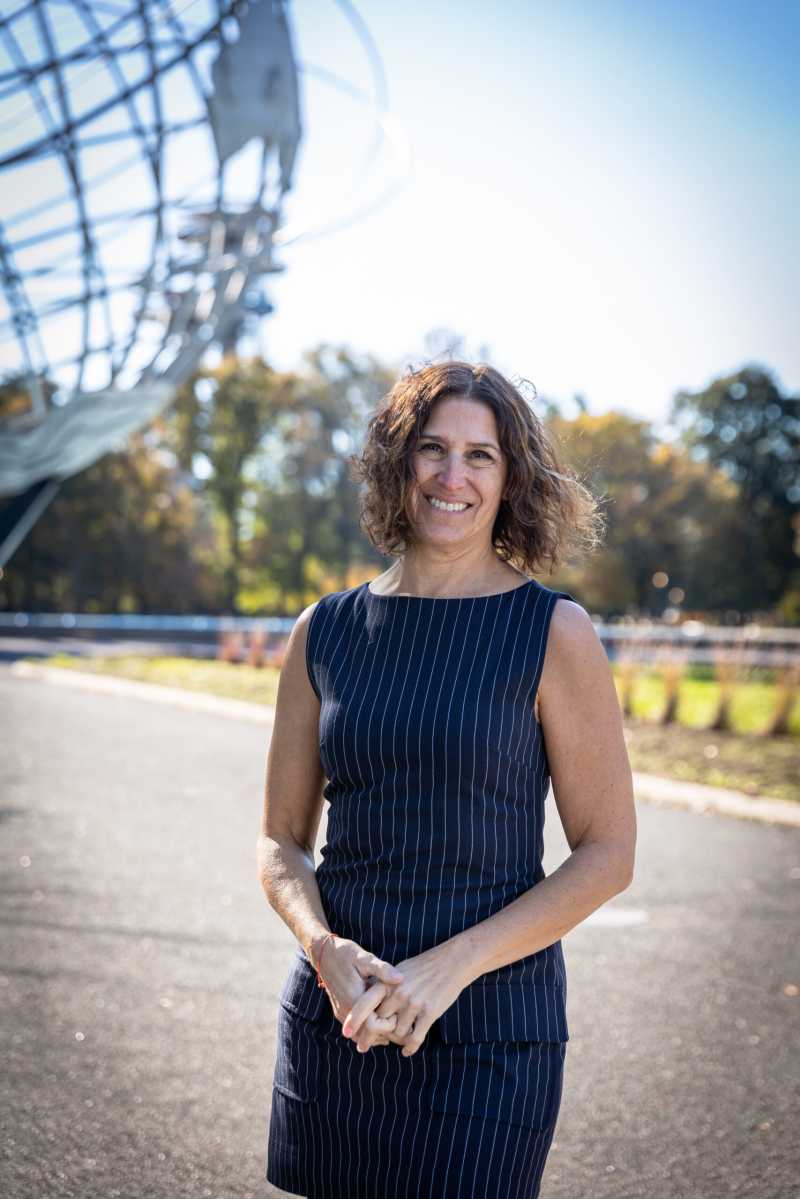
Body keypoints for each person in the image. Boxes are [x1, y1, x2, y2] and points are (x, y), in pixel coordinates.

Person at [257, 360, 637, 1198]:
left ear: (511, 480)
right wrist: (322, 949)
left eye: (480, 455)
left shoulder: (553, 631)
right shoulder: (323, 631)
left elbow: (608, 853)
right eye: (432, 448)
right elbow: (281, 839)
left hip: (487, 1035)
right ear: (399, 463)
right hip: (339, 1020)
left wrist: (447, 968)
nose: (451, 475)